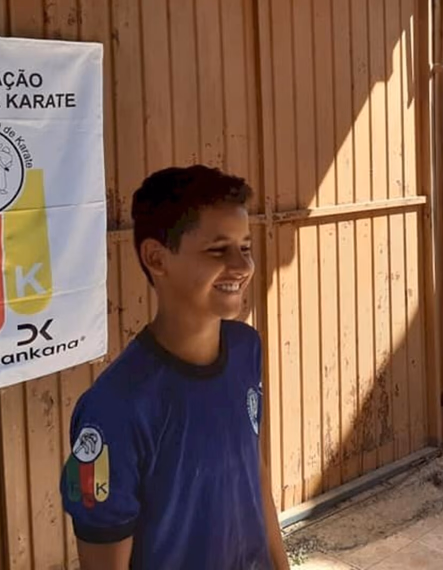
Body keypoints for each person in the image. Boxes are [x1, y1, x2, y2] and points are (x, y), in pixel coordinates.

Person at [59, 165, 289, 570]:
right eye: (218, 250)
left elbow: (254, 470)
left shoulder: (246, 349)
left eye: (246, 247)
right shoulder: (115, 408)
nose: (242, 266)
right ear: (156, 258)